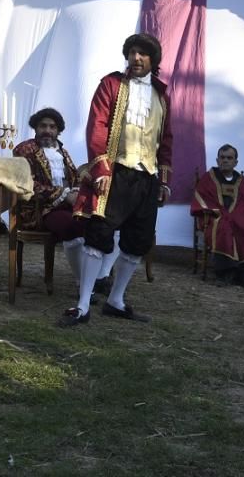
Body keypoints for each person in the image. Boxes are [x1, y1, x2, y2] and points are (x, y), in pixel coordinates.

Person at [61, 33, 173, 326]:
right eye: (132, 52)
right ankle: (83, 305)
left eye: (143, 54)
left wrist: (163, 180)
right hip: (115, 173)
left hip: (146, 176)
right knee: (98, 236)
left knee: (138, 241)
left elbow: (167, 139)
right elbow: (96, 125)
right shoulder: (111, 84)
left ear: (153, 60)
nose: (136, 58)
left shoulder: (162, 94)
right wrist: (100, 168)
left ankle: (116, 300)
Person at [12, 108, 88, 289]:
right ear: (35, 128)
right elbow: (28, 183)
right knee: (73, 226)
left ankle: (98, 278)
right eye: (43, 126)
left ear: (58, 130)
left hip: (67, 206)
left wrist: (77, 192)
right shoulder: (24, 150)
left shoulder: (63, 152)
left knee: (98, 223)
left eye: (52, 127)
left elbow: (75, 177)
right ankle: (83, 284)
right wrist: (63, 195)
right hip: (39, 210)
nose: (47, 130)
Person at [191, 144, 244, 288]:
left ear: (235, 162)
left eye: (229, 158)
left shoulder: (241, 180)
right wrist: (223, 213)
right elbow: (202, 198)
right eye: (222, 158)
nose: (225, 161)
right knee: (225, 225)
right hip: (214, 218)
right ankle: (225, 273)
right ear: (217, 160)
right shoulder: (208, 178)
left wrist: (239, 215)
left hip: (238, 217)